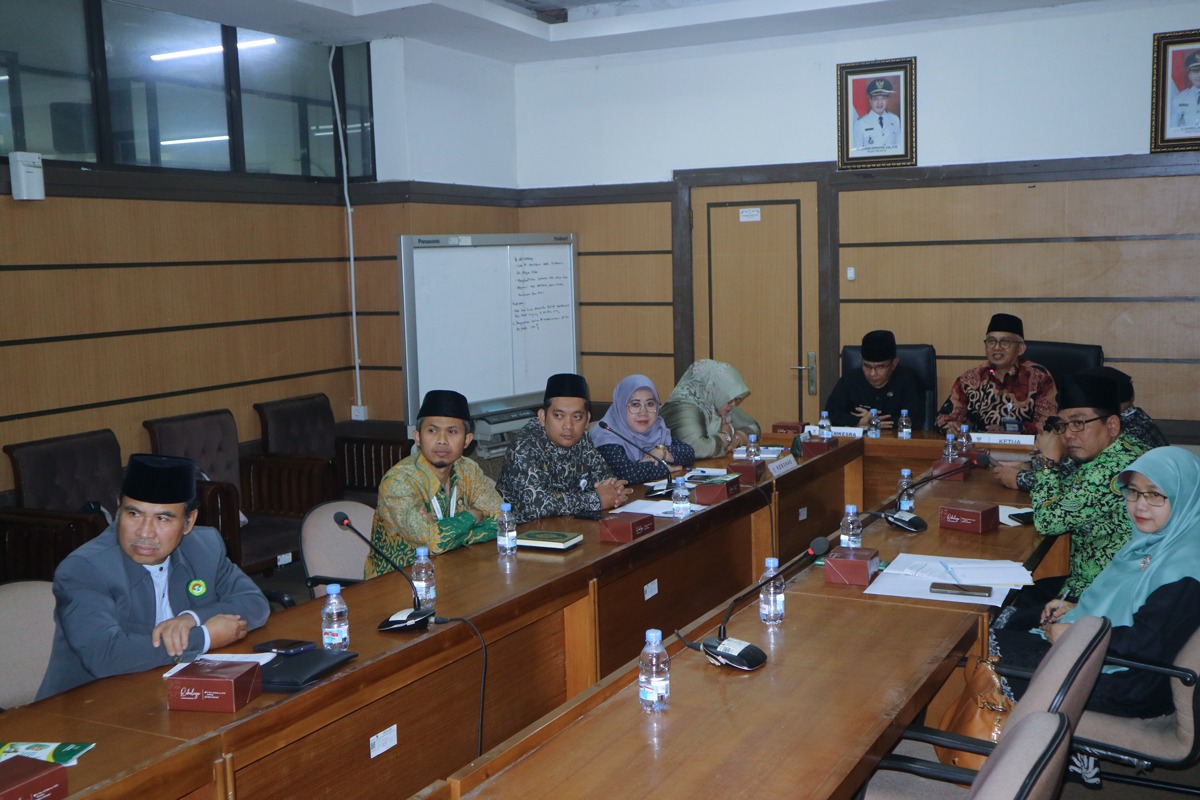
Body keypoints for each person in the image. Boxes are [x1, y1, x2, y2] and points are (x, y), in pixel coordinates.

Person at [991, 446, 1200, 723]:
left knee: (985, 652)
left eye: (1154, 495)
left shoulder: (1184, 568)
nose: (1139, 505)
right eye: (1133, 491)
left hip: (1127, 682)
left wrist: (1079, 636)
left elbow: (1147, 645)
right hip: (1108, 655)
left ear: (1186, 496)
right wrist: (1078, 610)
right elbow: (1129, 606)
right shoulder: (1154, 544)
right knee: (996, 626)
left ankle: (1007, 739)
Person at [37, 454, 269, 700]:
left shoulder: (205, 547)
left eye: (162, 518)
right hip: (87, 705)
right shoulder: (85, 568)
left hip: (163, 692)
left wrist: (191, 619)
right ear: (119, 507)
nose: (145, 532)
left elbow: (254, 603)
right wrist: (204, 636)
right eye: (134, 514)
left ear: (189, 521)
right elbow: (106, 655)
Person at [992, 373, 1150, 632]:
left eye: (1078, 423)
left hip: (1100, 595)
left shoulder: (1112, 468)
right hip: (1092, 579)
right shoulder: (1121, 449)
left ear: (1112, 425)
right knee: (1008, 594)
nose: (1067, 435)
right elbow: (1067, 493)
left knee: (996, 618)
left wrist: (1047, 462)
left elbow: (1048, 522)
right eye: (1062, 425)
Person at [365, 389, 501, 577]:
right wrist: (472, 516)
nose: (442, 441)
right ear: (418, 437)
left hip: (451, 574)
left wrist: (448, 533)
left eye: (452, 431)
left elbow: (501, 520)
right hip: (397, 583)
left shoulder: (468, 470)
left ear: (467, 440)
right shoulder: (399, 481)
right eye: (432, 430)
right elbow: (433, 543)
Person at [994, 365, 1167, 492]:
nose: (1070, 432)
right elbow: (1071, 466)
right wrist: (1029, 466)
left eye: (1077, 422)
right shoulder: (1133, 418)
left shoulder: (1132, 436)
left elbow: (1076, 482)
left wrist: (1020, 478)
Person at [497, 373, 633, 523]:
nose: (568, 426)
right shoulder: (524, 448)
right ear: (542, 417)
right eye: (558, 416)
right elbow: (536, 505)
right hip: (521, 533)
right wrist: (596, 499)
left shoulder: (582, 439)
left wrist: (614, 490)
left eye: (576, 417)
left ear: (587, 420)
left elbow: (605, 480)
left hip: (570, 525)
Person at [935, 313, 1057, 434]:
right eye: (991, 341)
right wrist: (951, 426)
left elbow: (1049, 424)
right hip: (979, 445)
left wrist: (1014, 429)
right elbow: (943, 418)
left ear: (1020, 348)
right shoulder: (970, 378)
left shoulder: (1038, 377)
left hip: (1023, 445)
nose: (997, 347)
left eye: (1005, 342)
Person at [593, 374, 696, 484]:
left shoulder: (657, 428)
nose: (643, 412)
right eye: (635, 404)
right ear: (620, 406)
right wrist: (664, 468)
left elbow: (688, 453)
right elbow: (627, 474)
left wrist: (662, 452)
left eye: (650, 404)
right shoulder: (607, 434)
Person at [824, 330, 925, 429]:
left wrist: (873, 421)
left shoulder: (908, 379)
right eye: (867, 366)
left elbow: (915, 419)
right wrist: (859, 422)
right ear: (861, 359)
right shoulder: (850, 379)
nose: (872, 373)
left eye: (880, 367)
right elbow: (830, 414)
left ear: (894, 363)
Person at [660, 360, 760, 459]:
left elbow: (753, 426)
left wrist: (737, 439)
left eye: (736, 400)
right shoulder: (683, 407)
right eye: (730, 401)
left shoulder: (715, 403)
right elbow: (697, 449)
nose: (733, 405)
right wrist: (726, 436)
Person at [851, 77, 902, 155]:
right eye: (876, 99)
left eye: (883, 98)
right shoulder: (860, 124)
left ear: (887, 100)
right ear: (870, 101)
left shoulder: (895, 119)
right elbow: (857, 154)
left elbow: (899, 149)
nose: (879, 102)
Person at [1167, 51, 1200, 136]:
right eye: (1195, 71)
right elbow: (1172, 130)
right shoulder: (1179, 98)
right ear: (1189, 75)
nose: (1199, 75)